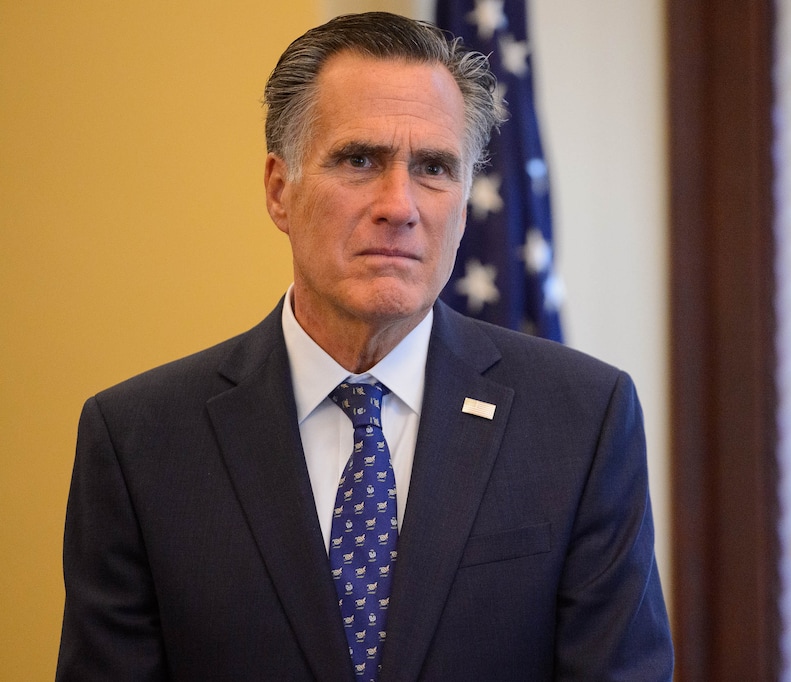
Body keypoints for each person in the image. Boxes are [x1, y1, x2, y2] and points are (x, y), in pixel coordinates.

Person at [57, 12, 673, 681]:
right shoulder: (139, 441)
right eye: (359, 160)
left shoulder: (582, 419)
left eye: (434, 168)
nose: (399, 205)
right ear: (279, 191)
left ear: (465, 203)